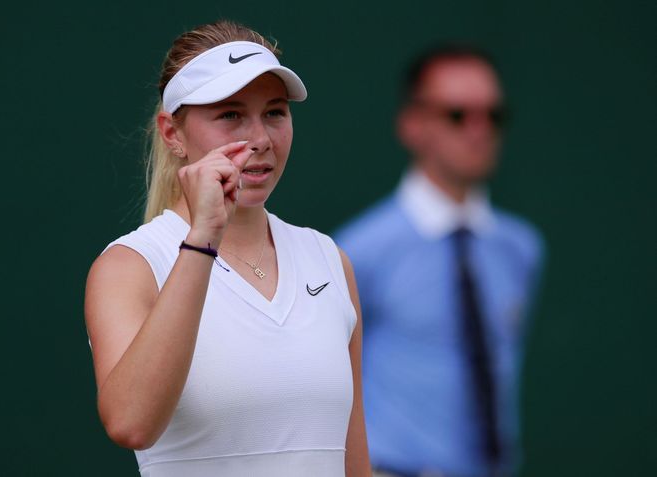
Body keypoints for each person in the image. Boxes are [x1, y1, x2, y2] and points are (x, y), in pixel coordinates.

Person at [84, 20, 370, 477]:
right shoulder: (130, 266)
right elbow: (131, 423)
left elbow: (354, 463)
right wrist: (203, 238)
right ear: (172, 133)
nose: (260, 139)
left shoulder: (329, 261)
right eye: (231, 115)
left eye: (275, 112)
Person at [335, 46, 544, 477]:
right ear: (413, 124)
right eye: (457, 114)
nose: (479, 130)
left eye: (493, 115)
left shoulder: (520, 248)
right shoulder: (359, 250)